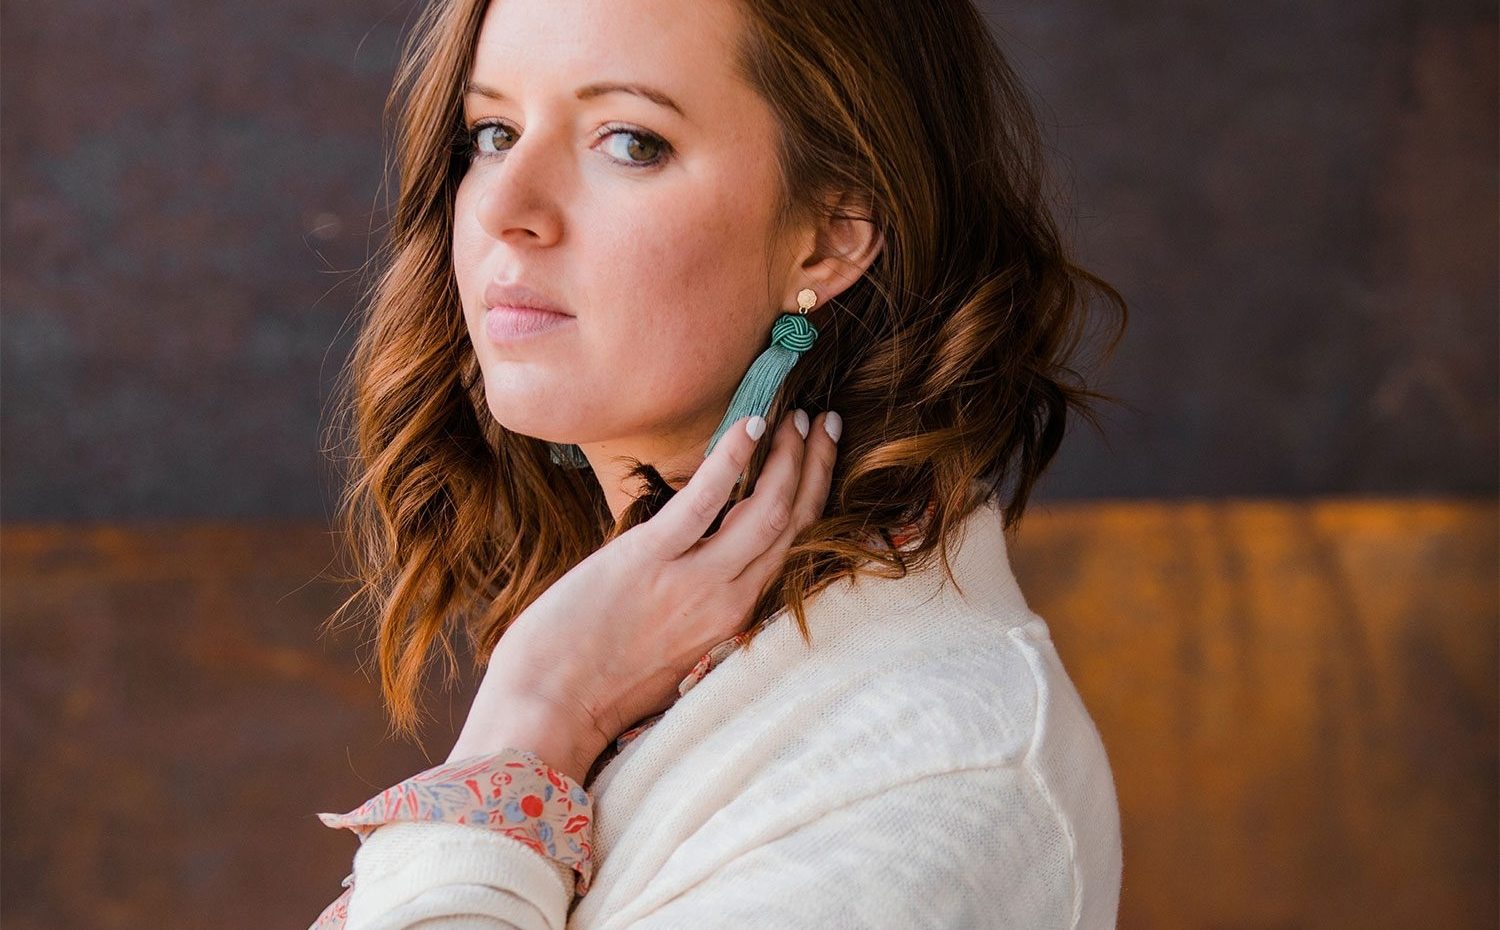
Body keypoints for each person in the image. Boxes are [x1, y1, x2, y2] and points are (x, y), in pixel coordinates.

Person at [311, 0, 1130, 926]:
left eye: (630, 142)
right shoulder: (647, 651)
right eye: (492, 132)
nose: (504, 208)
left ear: (829, 235)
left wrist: (534, 719)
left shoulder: (928, 769)